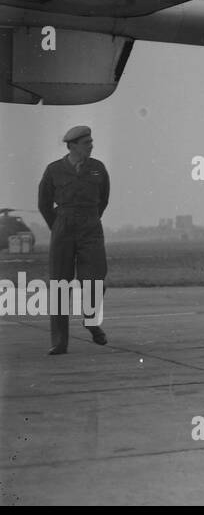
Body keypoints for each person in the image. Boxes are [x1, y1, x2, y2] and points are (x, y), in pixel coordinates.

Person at [37, 126, 110, 355]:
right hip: (63, 227)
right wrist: (58, 226)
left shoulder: (98, 169)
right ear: (72, 146)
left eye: (91, 141)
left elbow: (104, 199)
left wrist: (89, 220)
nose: (91, 145)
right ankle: (59, 342)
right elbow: (44, 203)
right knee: (60, 285)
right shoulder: (54, 170)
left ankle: (90, 320)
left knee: (95, 279)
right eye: (86, 142)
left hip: (90, 227)